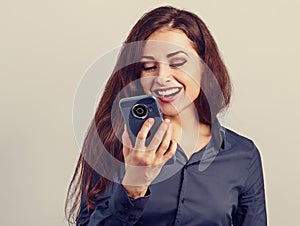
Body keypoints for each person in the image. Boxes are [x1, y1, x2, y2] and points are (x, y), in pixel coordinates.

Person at [65, 6, 267, 226]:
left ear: (204, 67)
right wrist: (133, 187)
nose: (162, 77)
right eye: (149, 66)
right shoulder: (112, 143)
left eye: (178, 63)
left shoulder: (243, 156)